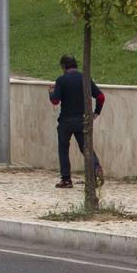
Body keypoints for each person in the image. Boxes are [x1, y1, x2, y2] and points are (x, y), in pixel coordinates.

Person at [48, 54, 105, 189]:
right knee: (86, 148)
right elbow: (101, 96)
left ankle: (66, 180)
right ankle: (96, 169)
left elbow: (55, 101)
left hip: (65, 122)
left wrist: (51, 92)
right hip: (82, 120)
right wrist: (96, 113)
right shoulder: (85, 78)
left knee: (63, 149)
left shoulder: (61, 80)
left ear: (63, 66)